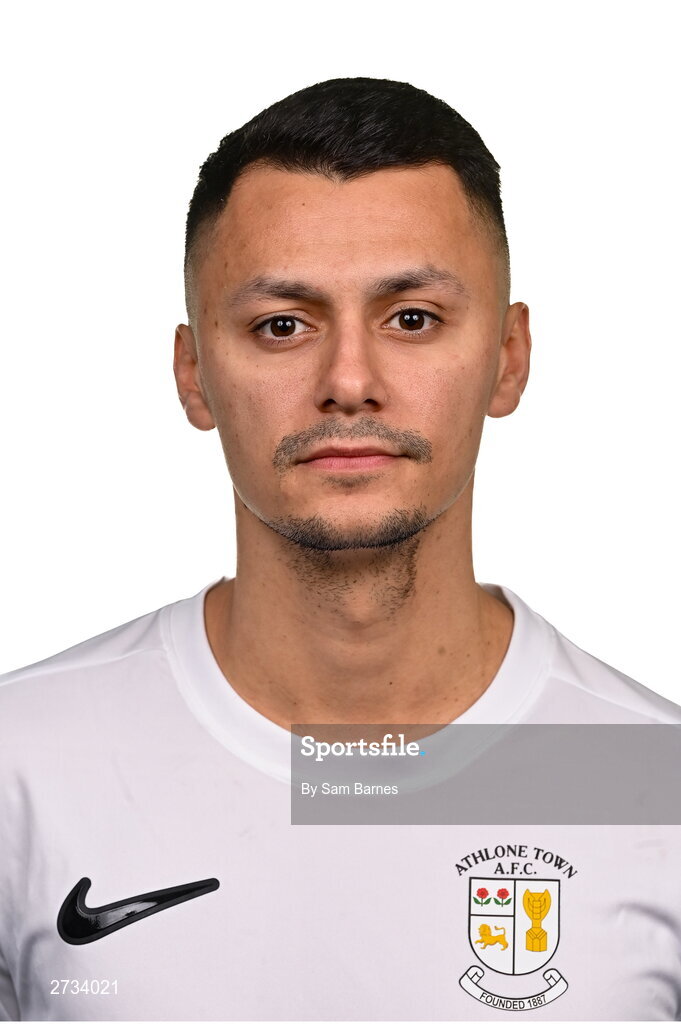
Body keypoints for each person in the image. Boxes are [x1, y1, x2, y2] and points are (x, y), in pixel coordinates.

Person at [1, 77, 680, 1022]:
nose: (349, 381)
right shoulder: (22, 764)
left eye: (411, 318)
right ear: (193, 374)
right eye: (283, 325)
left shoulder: (655, 784)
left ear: (509, 356)